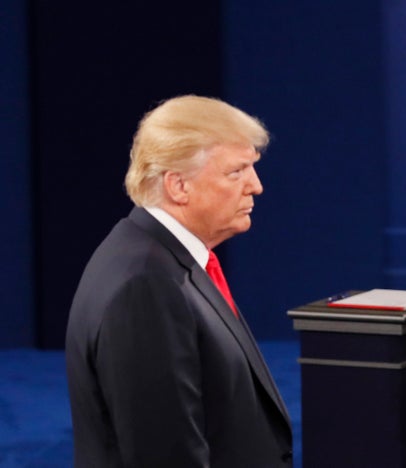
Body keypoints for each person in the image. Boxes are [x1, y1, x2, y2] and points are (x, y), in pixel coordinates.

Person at [65, 95, 293, 467]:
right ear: (178, 186)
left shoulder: (158, 258)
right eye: (236, 172)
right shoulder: (144, 286)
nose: (256, 186)